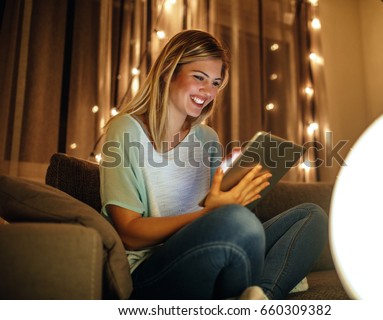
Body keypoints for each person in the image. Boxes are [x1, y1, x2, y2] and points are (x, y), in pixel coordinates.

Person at [100, 29, 328, 300]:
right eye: (199, 77)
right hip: (153, 270)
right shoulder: (124, 130)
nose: (208, 92)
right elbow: (129, 234)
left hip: (214, 248)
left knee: (312, 215)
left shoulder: (208, 138)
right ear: (168, 72)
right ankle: (261, 283)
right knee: (236, 221)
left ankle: (259, 298)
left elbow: (217, 211)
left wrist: (236, 196)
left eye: (216, 83)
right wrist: (213, 214)